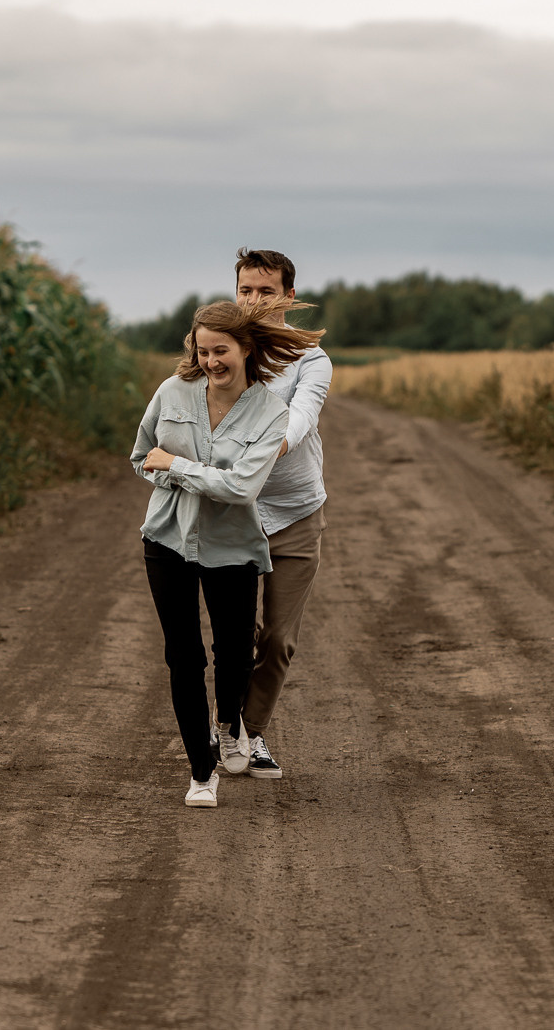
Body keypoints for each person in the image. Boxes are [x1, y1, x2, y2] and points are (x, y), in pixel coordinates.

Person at [132, 299, 325, 807]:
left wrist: (175, 466)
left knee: (235, 654)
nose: (212, 361)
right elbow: (140, 457)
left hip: (233, 545)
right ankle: (201, 771)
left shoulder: (272, 413)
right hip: (166, 538)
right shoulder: (172, 392)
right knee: (183, 656)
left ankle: (229, 721)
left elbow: (241, 489)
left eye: (221, 351)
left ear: (246, 349)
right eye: (203, 351)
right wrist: (181, 472)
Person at [231, 248, 332, 780]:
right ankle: (231, 734)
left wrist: (263, 449)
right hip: (233, 513)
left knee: (276, 639)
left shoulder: (311, 362)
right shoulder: (223, 353)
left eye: (265, 291)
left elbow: (298, 421)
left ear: (288, 297)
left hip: (294, 511)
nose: (253, 301)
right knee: (232, 633)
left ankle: (250, 733)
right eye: (246, 290)